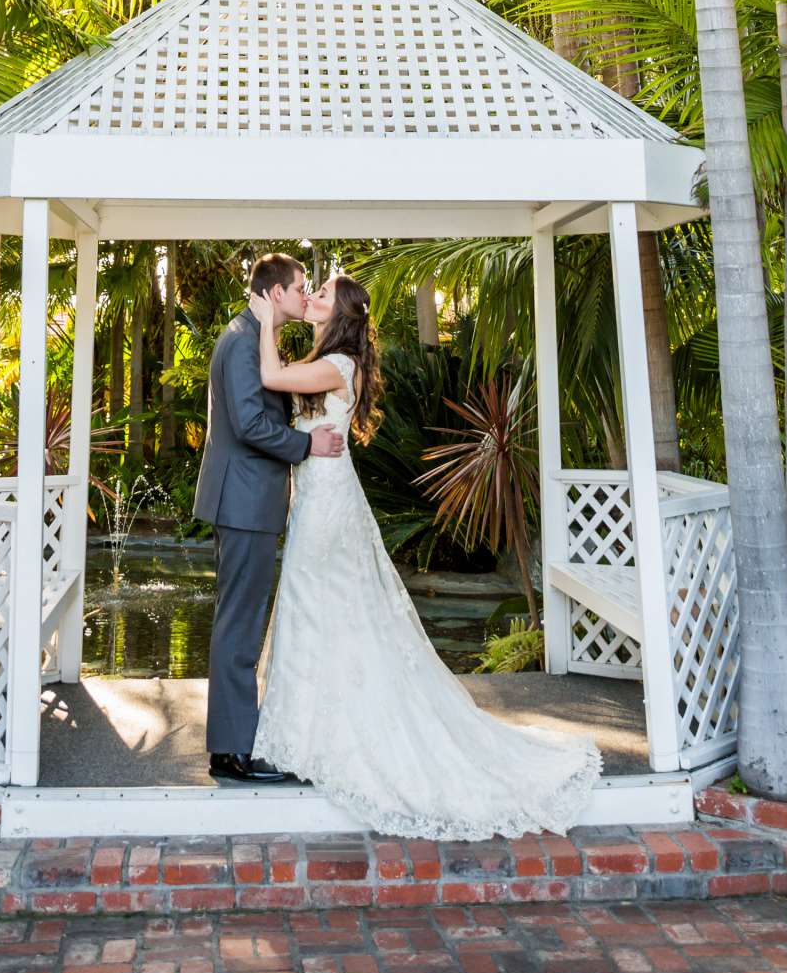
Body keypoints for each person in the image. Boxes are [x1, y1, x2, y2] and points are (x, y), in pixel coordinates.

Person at [250, 271, 601, 839]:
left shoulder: (338, 366)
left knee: (317, 605)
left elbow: (269, 374)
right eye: (309, 292)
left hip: (327, 508)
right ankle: (311, 731)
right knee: (324, 610)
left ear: (338, 315)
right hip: (318, 498)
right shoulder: (331, 361)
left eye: (321, 295)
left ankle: (324, 735)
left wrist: (266, 319)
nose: (311, 297)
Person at [193, 252, 344, 784]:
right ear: (274, 293)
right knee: (239, 623)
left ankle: (235, 741)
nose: (306, 297)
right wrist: (308, 444)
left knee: (243, 620)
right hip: (243, 502)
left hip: (250, 501)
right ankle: (230, 752)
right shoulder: (239, 342)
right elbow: (253, 425)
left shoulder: (253, 337)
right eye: (301, 287)